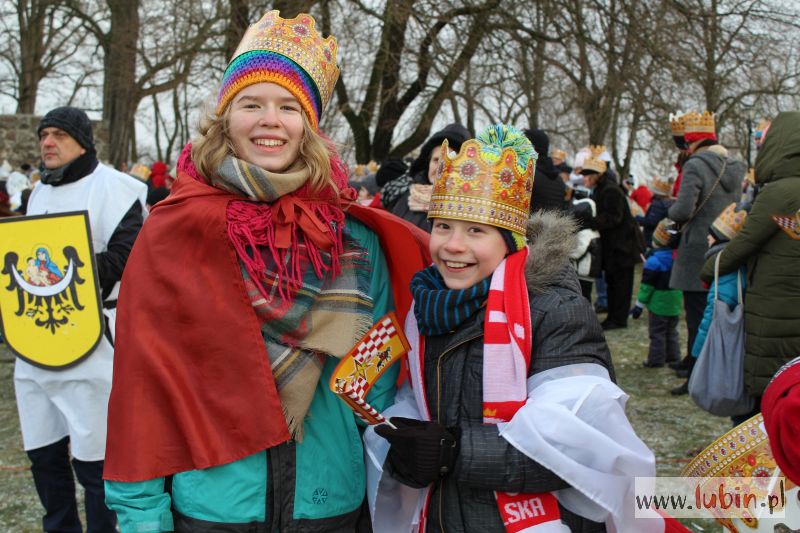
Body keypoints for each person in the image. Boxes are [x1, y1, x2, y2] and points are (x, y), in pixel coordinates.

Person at [102, 11, 430, 532]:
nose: (269, 120)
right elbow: (143, 390)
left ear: (310, 125)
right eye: (250, 104)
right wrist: (142, 516)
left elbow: (381, 365)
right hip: (214, 505)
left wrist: (377, 452)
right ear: (226, 119)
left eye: (288, 106)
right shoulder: (173, 234)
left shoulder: (355, 237)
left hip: (328, 505)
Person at [365, 125, 659, 532]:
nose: (452, 245)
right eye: (443, 226)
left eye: (476, 231)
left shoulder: (554, 308)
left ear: (511, 242)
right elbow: (416, 401)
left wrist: (455, 450)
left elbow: (580, 441)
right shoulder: (424, 307)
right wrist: (403, 444)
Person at [16, 105, 147, 532]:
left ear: (82, 140)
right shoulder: (39, 191)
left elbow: (127, 259)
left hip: (93, 342)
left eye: (57, 134)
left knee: (95, 461)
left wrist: (59, 272)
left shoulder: (120, 189)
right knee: (44, 454)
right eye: (43, 135)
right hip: (33, 340)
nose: (47, 143)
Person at [699, 110, 800, 412]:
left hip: (773, 310)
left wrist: (708, 269)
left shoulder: (781, 193)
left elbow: (743, 246)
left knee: (768, 396)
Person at [668, 111, 744, 394]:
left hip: (696, 247)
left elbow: (684, 209)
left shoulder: (696, 165)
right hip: (722, 244)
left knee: (696, 314)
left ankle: (694, 375)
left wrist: (670, 210)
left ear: (694, 144)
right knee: (710, 311)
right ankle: (693, 362)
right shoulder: (734, 165)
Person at [679, 202, 749, 403]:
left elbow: (713, 312)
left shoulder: (724, 268)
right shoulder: (731, 263)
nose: (707, 237)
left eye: (711, 234)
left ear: (719, 238)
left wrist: (697, 350)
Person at [580, 146, 644, 330]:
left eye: (587, 175)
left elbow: (613, 218)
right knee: (614, 283)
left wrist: (590, 221)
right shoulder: (603, 189)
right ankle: (614, 317)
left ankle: (618, 318)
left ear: (595, 175)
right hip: (616, 247)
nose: (584, 178)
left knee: (621, 285)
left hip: (622, 247)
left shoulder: (610, 191)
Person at [381, 123, 471, 231]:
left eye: (449, 161)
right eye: (436, 160)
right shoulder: (408, 195)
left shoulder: (467, 209)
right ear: (428, 163)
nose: (440, 167)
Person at [630, 218, 683, 368]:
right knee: (672, 332)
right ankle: (673, 357)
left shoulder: (654, 262)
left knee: (657, 333)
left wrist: (639, 305)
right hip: (674, 302)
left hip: (658, 304)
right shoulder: (677, 258)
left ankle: (656, 359)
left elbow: (646, 287)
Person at [524, 128, 566, 212]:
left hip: (530, 224)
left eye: (524, 144)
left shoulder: (528, 174)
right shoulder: (559, 179)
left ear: (533, 148)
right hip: (553, 224)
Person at [636, 175, 675, 250]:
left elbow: (651, 222)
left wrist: (637, 218)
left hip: (651, 237)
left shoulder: (658, 204)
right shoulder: (669, 203)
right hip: (661, 237)